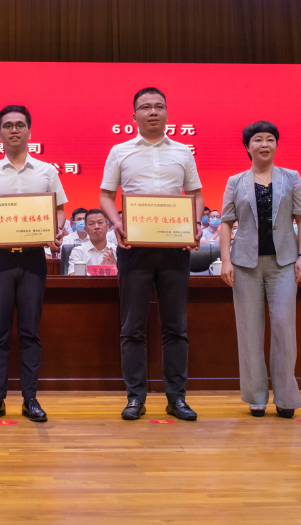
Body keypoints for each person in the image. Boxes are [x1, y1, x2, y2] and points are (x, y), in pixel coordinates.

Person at [99, 87, 205, 422]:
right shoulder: (120, 151)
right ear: (134, 116)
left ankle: (177, 398)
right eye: (146, 107)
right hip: (135, 249)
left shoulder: (183, 152)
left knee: (176, 326)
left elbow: (195, 194)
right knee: (133, 327)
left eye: (159, 106)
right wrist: (117, 223)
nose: (153, 112)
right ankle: (135, 398)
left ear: (167, 113)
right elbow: (105, 196)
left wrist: (195, 225)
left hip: (175, 248)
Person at [0, 104, 66, 423]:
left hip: (33, 259)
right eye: (8, 125)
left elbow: (59, 210)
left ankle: (30, 399)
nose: (14, 130)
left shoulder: (47, 171)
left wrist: (57, 230)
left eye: (20, 125)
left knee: (30, 332)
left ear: (29, 131)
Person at [219, 120, 301, 419]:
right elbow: (226, 222)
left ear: (276, 145)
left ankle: (285, 397)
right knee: (249, 331)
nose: (264, 144)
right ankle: (256, 396)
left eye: (270, 139)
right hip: (245, 264)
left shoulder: (292, 177)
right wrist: (226, 260)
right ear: (248, 147)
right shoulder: (235, 181)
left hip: (284, 263)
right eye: (258, 139)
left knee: (283, 328)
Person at [68, 209, 117, 274]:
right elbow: (73, 276)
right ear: (86, 229)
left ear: (107, 226)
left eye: (100, 223)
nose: (97, 227)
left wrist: (115, 269)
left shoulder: (116, 251)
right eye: (91, 224)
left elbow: (125, 277)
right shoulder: (78, 251)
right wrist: (99, 269)